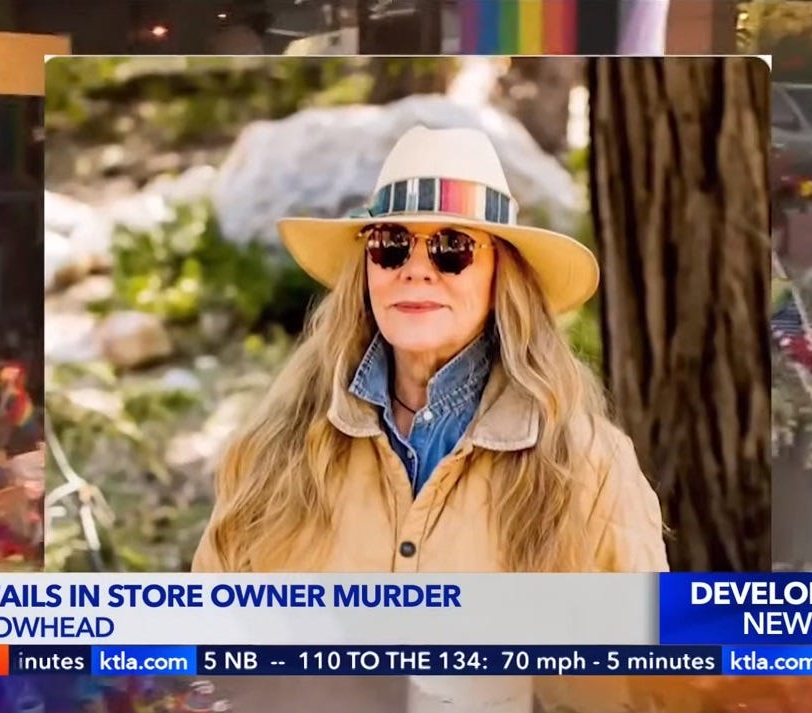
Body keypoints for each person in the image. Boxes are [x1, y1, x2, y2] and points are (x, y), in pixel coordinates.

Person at [192, 126, 667, 575]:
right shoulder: (276, 447)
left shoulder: (588, 466)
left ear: (504, 276)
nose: (416, 271)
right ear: (367, 269)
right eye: (392, 244)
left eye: (452, 247)